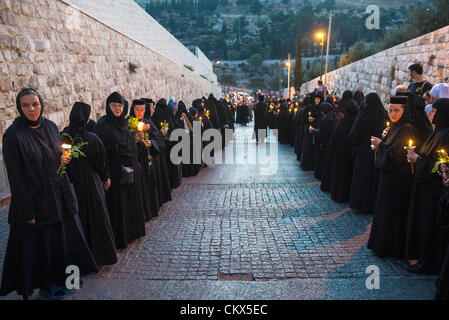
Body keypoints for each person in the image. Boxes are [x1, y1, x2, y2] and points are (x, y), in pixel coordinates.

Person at [0, 89, 98, 300]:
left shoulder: (51, 127)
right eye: (25, 105)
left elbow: (56, 156)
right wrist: (27, 211)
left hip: (59, 198)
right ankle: (47, 286)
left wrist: (64, 159)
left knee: (62, 243)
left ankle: (65, 279)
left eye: (35, 104)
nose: (31, 109)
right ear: (19, 107)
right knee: (41, 248)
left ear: (41, 103)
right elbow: (16, 179)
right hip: (36, 202)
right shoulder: (13, 136)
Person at [62, 102, 118, 266]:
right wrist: (106, 177)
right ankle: (101, 255)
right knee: (97, 218)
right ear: (86, 120)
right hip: (91, 183)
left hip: (70, 183)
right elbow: (101, 162)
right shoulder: (92, 138)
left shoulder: (62, 136)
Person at [94, 92, 146, 249]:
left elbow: (129, 147)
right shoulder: (102, 126)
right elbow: (100, 152)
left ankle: (132, 232)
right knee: (118, 206)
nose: (117, 109)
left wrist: (136, 140)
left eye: (120, 106)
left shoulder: (124, 124)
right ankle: (120, 237)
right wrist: (106, 175)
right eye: (114, 106)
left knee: (130, 203)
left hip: (129, 171)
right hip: (115, 174)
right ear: (108, 107)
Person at [368, 96, 417, 258]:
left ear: (404, 110)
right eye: (390, 110)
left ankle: (391, 247)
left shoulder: (406, 128)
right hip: (389, 177)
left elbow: (397, 154)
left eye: (397, 110)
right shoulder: (395, 127)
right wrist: (382, 143)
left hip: (398, 179)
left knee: (393, 212)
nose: (393, 114)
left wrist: (380, 145)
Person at [405, 98, 449, 274]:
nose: (430, 114)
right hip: (425, 190)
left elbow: (441, 166)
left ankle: (429, 263)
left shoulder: (446, 135)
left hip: (434, 191)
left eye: (434, 112)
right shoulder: (438, 131)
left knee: (429, 227)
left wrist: (418, 160)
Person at [348, 93, 385, 214]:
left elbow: (353, 136)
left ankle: (362, 204)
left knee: (363, 180)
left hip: (364, 153)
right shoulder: (384, 115)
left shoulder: (363, 116)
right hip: (379, 152)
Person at [129, 99, 160, 220]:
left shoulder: (148, 122)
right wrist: (135, 139)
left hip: (147, 159)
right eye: (137, 110)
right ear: (133, 109)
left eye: (142, 110)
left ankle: (150, 210)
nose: (140, 112)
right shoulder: (128, 123)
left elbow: (156, 137)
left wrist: (151, 142)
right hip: (137, 160)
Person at [328, 97, 359, 202]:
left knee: (340, 177)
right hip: (350, 155)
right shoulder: (356, 121)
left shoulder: (342, 123)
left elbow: (335, 139)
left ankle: (339, 195)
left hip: (341, 155)